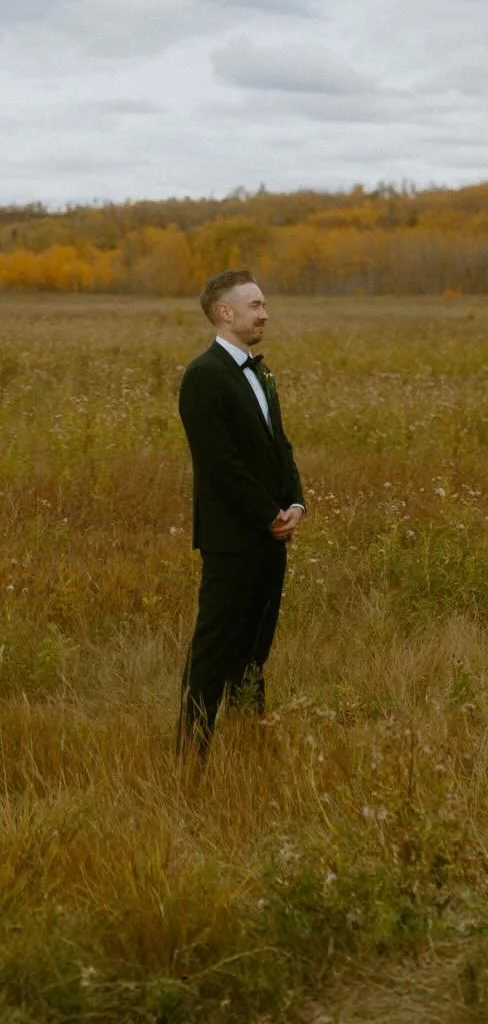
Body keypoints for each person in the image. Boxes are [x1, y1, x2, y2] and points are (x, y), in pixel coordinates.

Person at [176, 270, 306, 755]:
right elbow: (219, 465)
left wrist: (294, 504)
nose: (265, 313)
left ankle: (251, 748)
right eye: (255, 305)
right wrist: (267, 515)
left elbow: (280, 446)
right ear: (225, 312)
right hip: (232, 540)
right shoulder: (203, 376)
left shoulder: (261, 372)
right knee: (214, 652)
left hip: (272, 536)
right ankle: (192, 755)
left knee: (254, 653)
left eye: (265, 304)